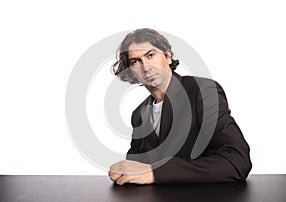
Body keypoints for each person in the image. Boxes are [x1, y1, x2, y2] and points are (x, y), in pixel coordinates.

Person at [108, 28, 252, 185]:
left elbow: (237, 161)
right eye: (135, 61)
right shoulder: (139, 114)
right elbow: (135, 168)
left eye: (151, 55)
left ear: (168, 56)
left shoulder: (201, 91)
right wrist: (123, 171)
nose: (146, 66)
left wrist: (156, 173)